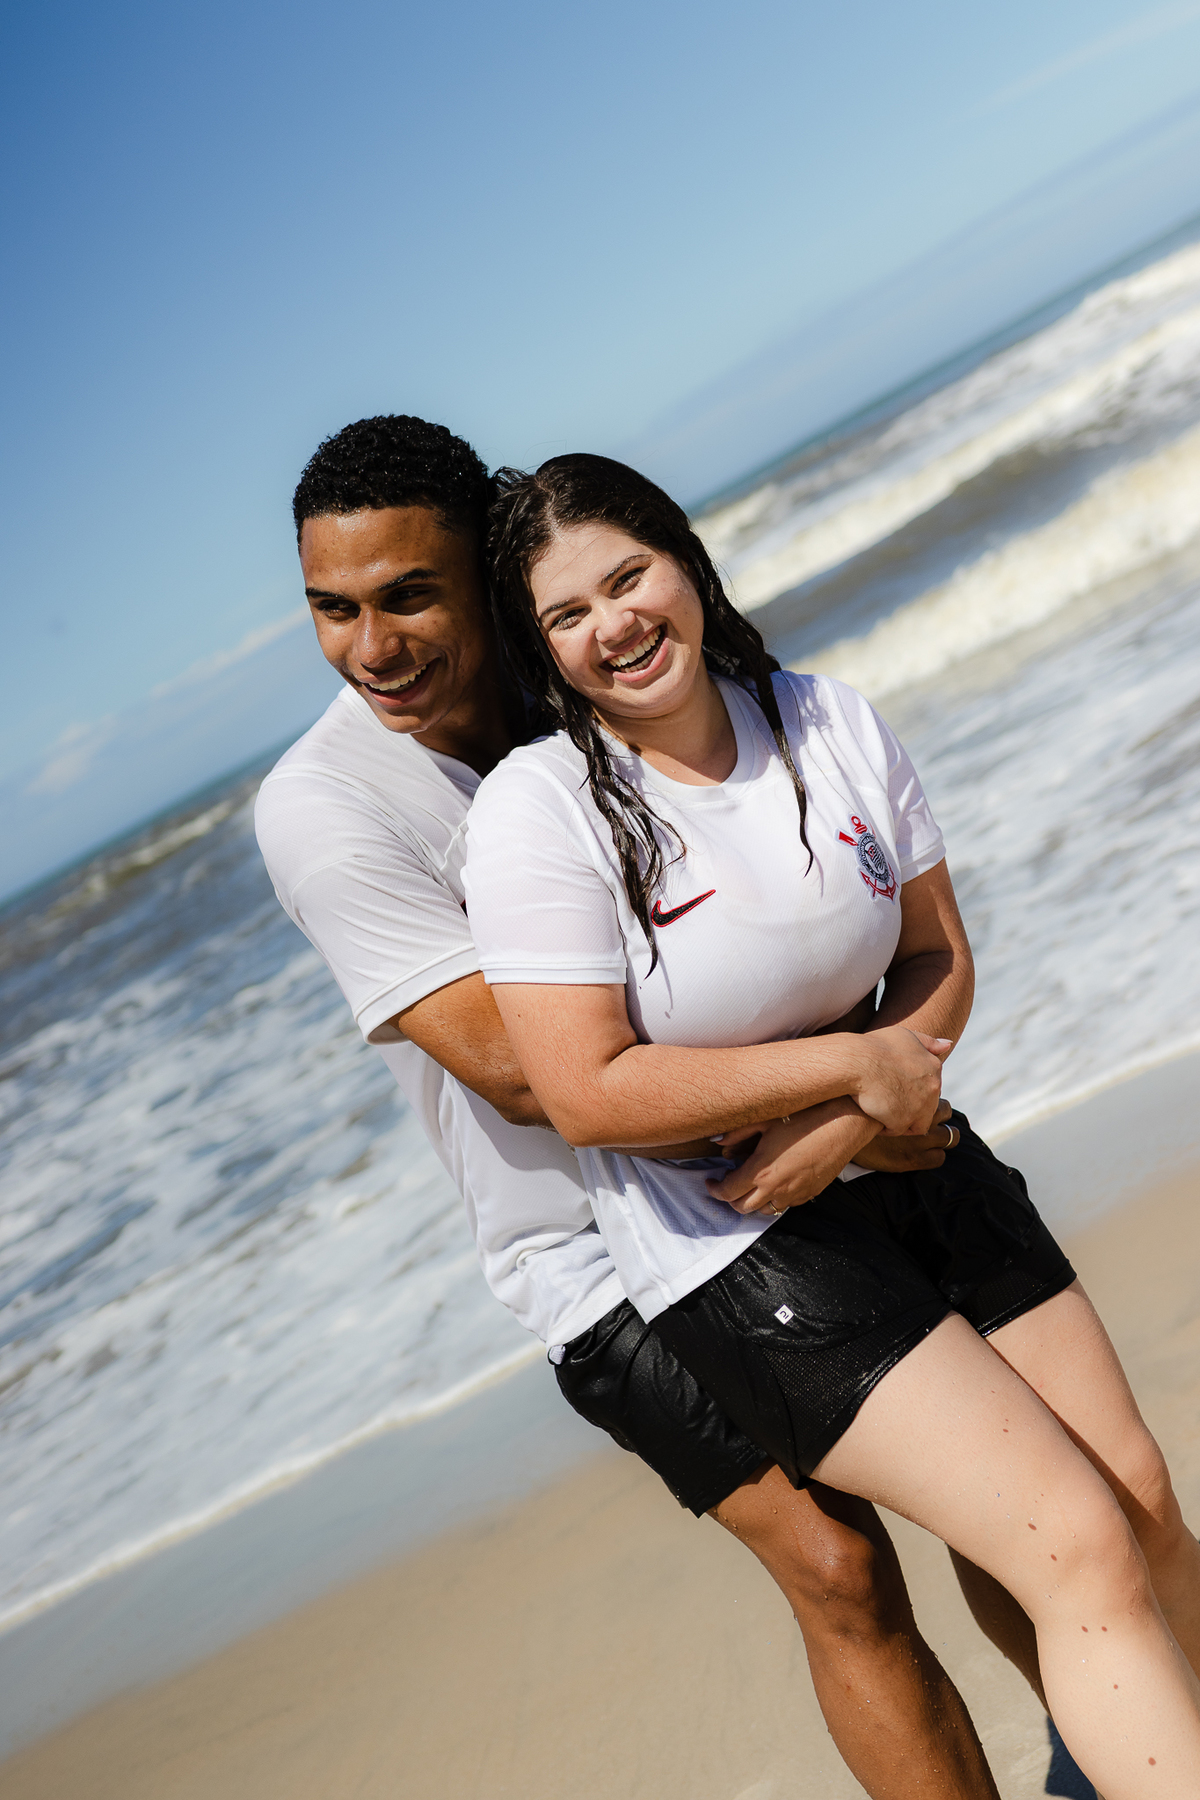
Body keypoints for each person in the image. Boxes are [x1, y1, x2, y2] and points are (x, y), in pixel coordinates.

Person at [256, 414, 1026, 1800]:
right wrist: (851, 1081)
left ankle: (1118, 1738)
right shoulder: (327, 806)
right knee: (840, 1568)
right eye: (334, 608)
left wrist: (858, 1094)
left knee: (1008, 1494)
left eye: (411, 597)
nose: (372, 647)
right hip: (597, 1253)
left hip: (800, 1155)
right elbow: (527, 1073)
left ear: (488, 578)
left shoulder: (581, 680)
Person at [465, 450, 1200, 1798]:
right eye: (567, 615)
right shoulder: (538, 810)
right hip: (739, 1243)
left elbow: (936, 956)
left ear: (684, 560)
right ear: (543, 650)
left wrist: (854, 1117)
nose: (614, 625)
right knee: (1074, 1541)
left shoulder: (823, 717)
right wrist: (852, 1069)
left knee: (1140, 1500)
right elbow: (586, 1088)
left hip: (906, 1155)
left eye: (629, 576)